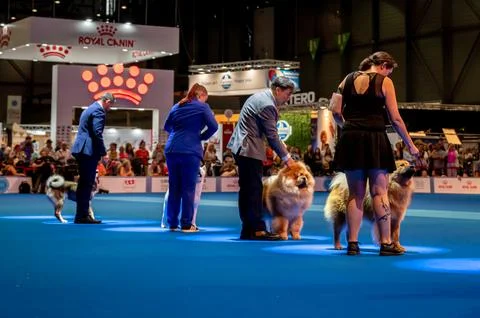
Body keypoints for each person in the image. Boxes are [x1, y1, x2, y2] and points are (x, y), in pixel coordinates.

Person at [330, 51, 419, 256]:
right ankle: (386, 243)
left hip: (351, 139)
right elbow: (395, 119)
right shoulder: (384, 82)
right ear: (383, 66)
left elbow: (334, 111)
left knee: (355, 194)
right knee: (380, 192)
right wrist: (411, 146)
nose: (389, 74)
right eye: (389, 70)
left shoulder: (346, 79)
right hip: (375, 139)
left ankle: (352, 244)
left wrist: (350, 126)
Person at [227, 76, 296, 241]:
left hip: (243, 147)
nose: (288, 99)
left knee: (247, 190)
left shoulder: (261, 96)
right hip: (248, 149)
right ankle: (257, 229)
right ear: (278, 90)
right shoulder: (267, 105)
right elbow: (272, 135)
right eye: (287, 94)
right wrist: (287, 159)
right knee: (254, 190)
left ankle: (248, 229)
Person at [163, 83, 218, 232]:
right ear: (201, 96)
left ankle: (172, 223)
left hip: (172, 149)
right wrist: (199, 136)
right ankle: (186, 224)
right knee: (188, 188)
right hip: (190, 151)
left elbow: (166, 127)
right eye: (205, 99)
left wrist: (179, 132)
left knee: (174, 187)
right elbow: (214, 126)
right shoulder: (202, 107)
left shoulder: (176, 106)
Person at [71, 92, 115, 224]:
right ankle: (82, 215)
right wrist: (103, 152)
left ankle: (81, 214)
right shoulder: (99, 111)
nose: (110, 108)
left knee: (83, 183)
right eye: (111, 104)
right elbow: (97, 133)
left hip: (81, 149)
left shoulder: (89, 108)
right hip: (88, 151)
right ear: (106, 101)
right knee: (87, 184)